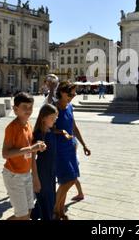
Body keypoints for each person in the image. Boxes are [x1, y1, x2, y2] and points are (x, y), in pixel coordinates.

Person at [2, 92, 47, 220]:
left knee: (27, 212)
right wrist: (31, 148)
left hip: (26, 174)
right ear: (15, 109)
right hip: (13, 175)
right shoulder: (12, 128)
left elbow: (31, 153)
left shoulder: (28, 125)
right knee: (23, 216)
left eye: (30, 107)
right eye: (24, 107)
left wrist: (37, 146)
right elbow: (5, 153)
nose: (28, 110)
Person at [53, 81, 91, 220]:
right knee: (68, 180)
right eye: (71, 93)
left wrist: (84, 144)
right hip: (59, 150)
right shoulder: (53, 108)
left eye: (74, 93)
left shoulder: (69, 107)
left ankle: (60, 212)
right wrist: (61, 131)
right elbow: (47, 128)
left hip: (70, 148)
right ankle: (55, 209)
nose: (73, 96)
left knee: (69, 180)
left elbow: (74, 127)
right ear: (62, 93)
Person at [31, 104, 69, 220]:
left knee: (48, 200)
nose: (55, 119)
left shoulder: (50, 130)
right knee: (47, 202)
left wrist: (62, 132)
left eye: (56, 117)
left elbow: (55, 132)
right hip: (42, 173)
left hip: (51, 172)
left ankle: (33, 215)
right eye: (53, 118)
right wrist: (35, 178)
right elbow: (32, 158)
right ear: (43, 118)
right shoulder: (39, 135)